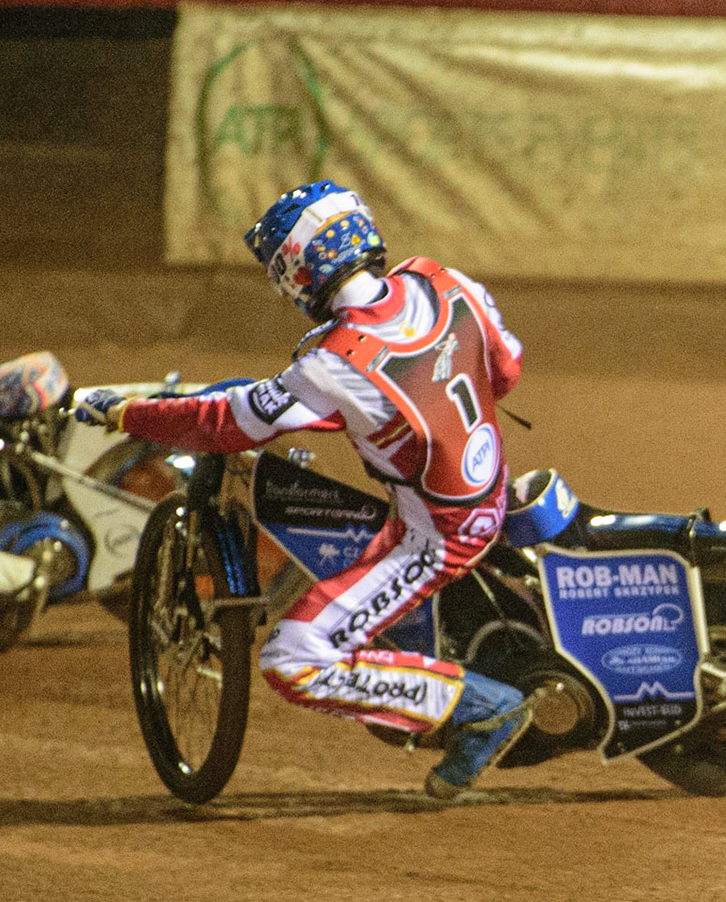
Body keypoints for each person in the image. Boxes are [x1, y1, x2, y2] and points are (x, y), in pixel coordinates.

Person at [74, 182, 535, 799]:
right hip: (486, 487)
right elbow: (505, 370)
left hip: (439, 534)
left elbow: (225, 423)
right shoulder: (444, 280)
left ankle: (482, 706)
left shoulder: (335, 362)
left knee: (293, 659)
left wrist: (125, 414)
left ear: (297, 270)